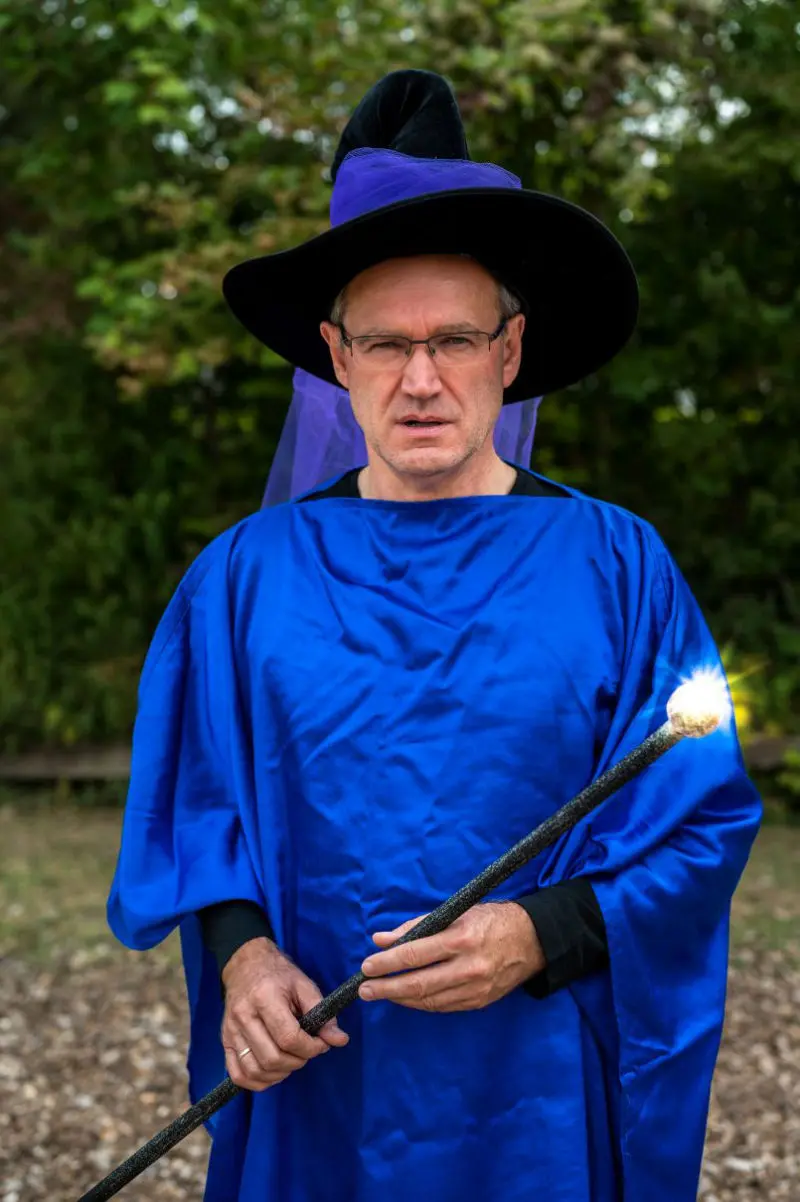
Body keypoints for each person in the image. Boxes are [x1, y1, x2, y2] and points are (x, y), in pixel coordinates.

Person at [107, 71, 761, 1202]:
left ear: (509, 351)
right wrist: (243, 956)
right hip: (320, 1078)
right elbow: (199, 811)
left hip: (534, 1093)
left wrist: (544, 930)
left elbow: (696, 822)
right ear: (334, 355)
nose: (420, 380)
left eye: (454, 339)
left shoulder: (617, 565)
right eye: (384, 344)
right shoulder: (243, 578)